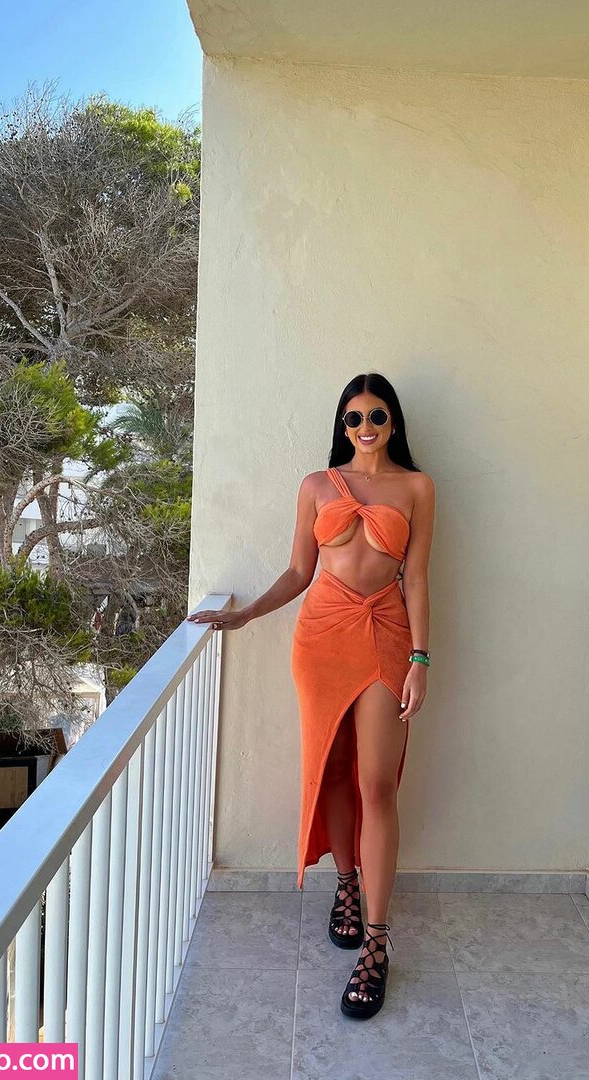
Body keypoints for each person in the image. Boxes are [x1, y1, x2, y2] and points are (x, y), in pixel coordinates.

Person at [188, 371, 435, 1019]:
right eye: (353, 418)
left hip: (385, 634)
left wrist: (421, 658)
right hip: (321, 638)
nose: (365, 427)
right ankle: (345, 884)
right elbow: (301, 569)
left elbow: (417, 579)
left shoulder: (417, 487)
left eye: (376, 415)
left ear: (393, 421)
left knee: (376, 782)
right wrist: (246, 614)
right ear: (342, 426)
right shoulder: (316, 486)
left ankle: (376, 942)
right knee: (332, 767)